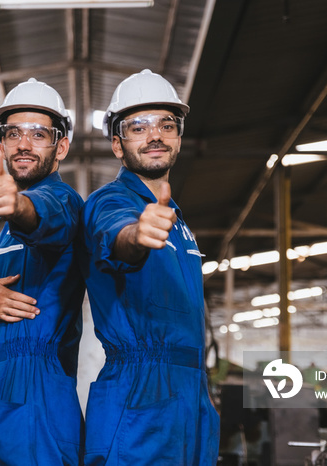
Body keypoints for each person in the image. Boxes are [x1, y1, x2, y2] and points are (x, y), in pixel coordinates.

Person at [78, 69, 220, 465]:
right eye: (137, 127)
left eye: (166, 124)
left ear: (178, 137)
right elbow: (117, 238)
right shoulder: (110, 202)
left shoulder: (178, 220)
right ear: (118, 145)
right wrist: (136, 235)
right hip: (138, 399)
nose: (154, 134)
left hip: (190, 396)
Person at [0, 78, 85, 465]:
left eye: (38, 134)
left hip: (44, 404)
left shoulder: (66, 204)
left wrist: (17, 207)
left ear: (60, 146)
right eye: (13, 133)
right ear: (2, 145)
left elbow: (45, 219)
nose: (23, 143)